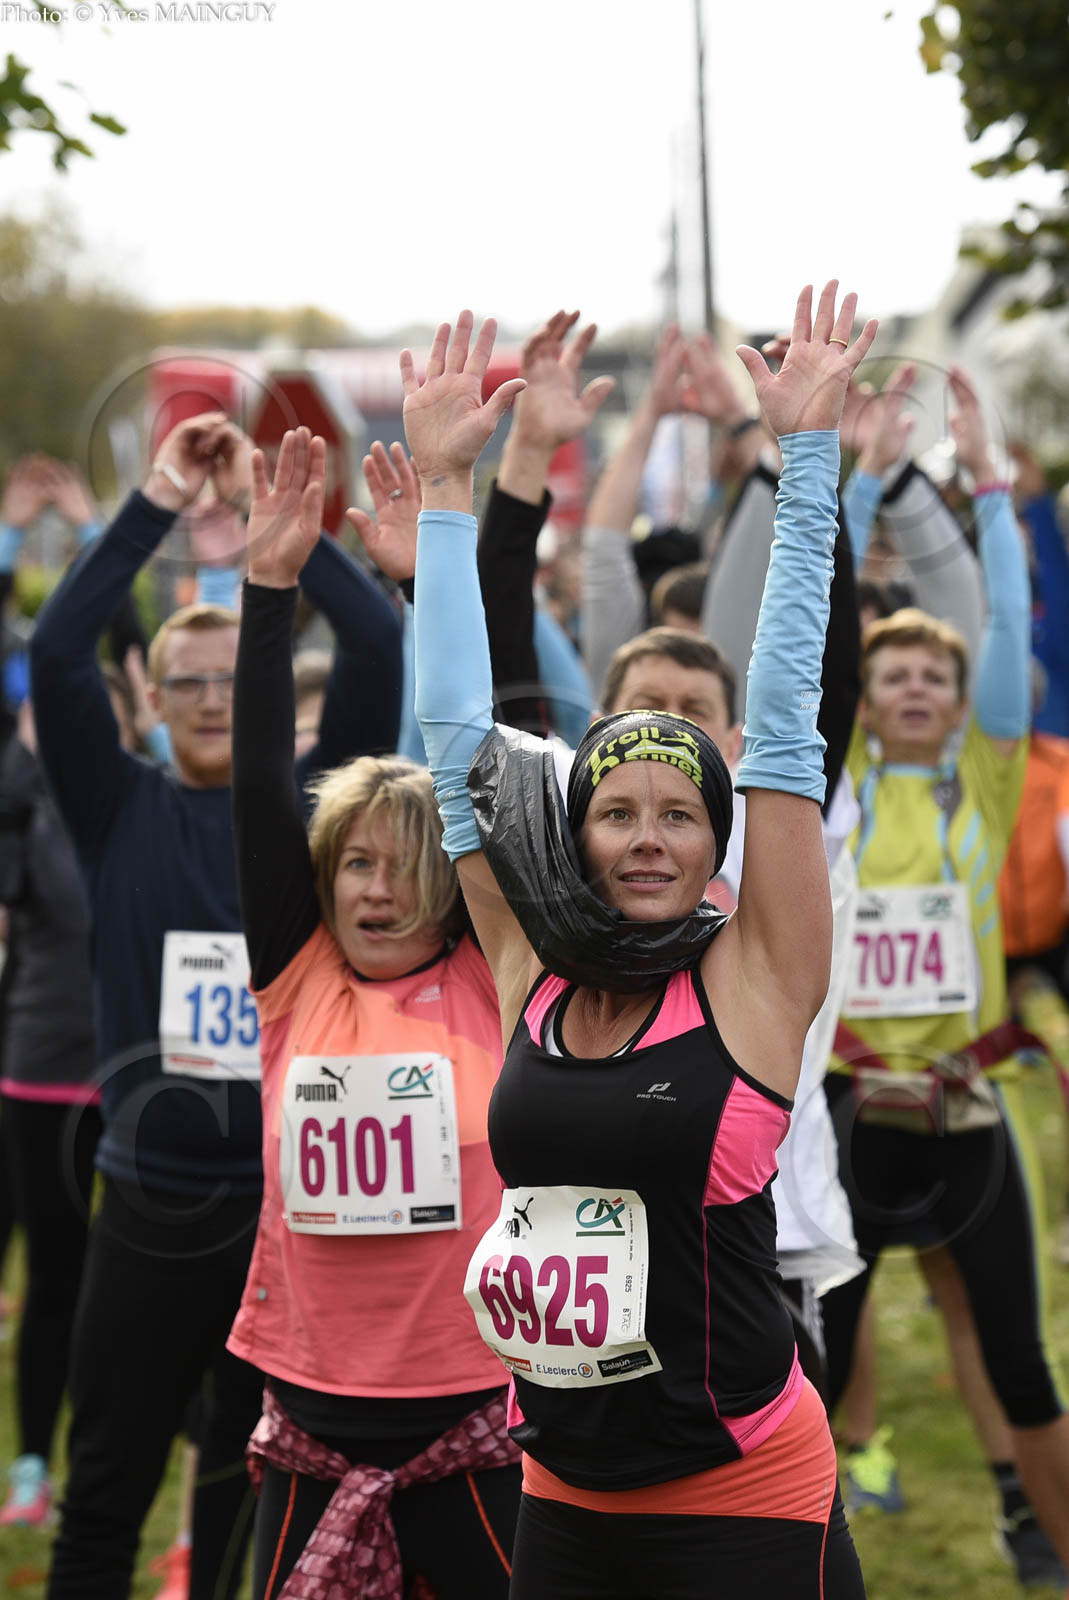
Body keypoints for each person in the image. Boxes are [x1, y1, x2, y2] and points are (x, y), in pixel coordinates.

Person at [411, 289, 871, 1597]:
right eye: (617, 813)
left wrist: (806, 458)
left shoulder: (756, 977)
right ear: (578, 833)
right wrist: (445, 493)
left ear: (719, 834)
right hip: (561, 1489)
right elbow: (456, 746)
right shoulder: (530, 968)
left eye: (681, 814)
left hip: (740, 1492)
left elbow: (784, 715)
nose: (650, 838)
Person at [30, 414, 402, 1600]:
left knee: (252, 1508)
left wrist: (270, 518)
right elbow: (58, 646)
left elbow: (376, 640)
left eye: (227, 677)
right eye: (182, 681)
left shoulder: (309, 807)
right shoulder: (114, 805)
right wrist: (155, 497)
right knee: (104, 1492)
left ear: (263, 686)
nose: (205, 699)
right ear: (147, 695)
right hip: (148, 1207)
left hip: (289, 1216)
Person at [223, 427, 521, 1599]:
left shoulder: (490, 976)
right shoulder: (296, 974)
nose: (381, 889)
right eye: (356, 863)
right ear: (324, 879)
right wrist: (267, 586)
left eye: (407, 864)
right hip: (312, 1410)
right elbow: (258, 785)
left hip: (476, 1407)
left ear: (450, 883)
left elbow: (475, 752)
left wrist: (424, 578)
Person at [819, 365, 1069, 1577]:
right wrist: (859, 487)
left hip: (965, 1110)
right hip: (850, 1111)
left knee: (1022, 1359)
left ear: (965, 706)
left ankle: (1045, 1535)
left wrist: (987, 491)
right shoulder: (842, 790)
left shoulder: (984, 782)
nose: (915, 685)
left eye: (936, 676)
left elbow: (1009, 628)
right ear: (864, 704)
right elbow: (820, 628)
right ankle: (793, 1550)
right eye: (893, 675)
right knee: (811, 1361)